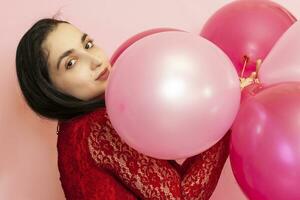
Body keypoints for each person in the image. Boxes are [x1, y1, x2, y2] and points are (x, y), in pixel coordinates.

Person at [15, 17, 230, 200]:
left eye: (88, 45)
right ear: (50, 89)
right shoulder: (98, 125)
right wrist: (226, 111)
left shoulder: (72, 132)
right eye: (71, 63)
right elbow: (182, 197)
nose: (94, 61)